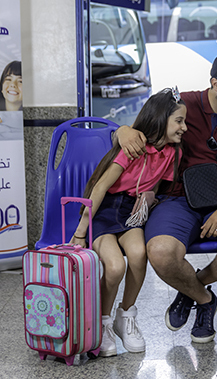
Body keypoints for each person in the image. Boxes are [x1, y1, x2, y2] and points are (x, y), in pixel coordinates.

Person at [115, 50, 217, 343]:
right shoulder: (181, 105)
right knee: (161, 252)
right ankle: (204, 299)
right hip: (176, 201)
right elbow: (137, 132)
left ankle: (190, 288)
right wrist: (122, 131)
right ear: (215, 84)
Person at [71, 88, 187, 357]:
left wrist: (149, 201)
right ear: (160, 119)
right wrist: (80, 233)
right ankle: (102, 324)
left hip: (131, 211)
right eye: (179, 121)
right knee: (114, 266)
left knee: (137, 254)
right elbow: (99, 188)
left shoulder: (171, 153)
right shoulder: (132, 148)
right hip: (103, 210)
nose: (185, 127)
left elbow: (155, 186)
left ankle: (126, 316)